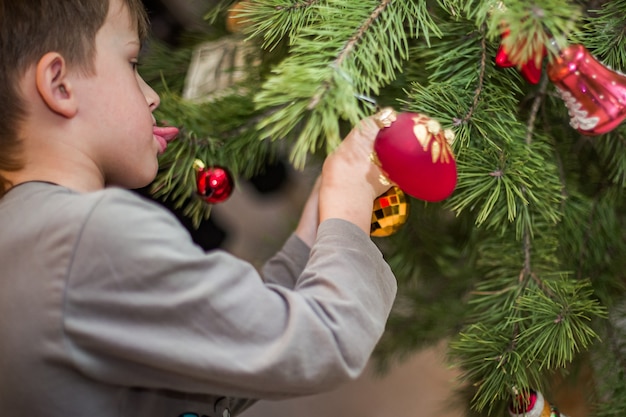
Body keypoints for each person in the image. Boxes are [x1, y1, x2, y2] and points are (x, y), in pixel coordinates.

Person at [0, 0, 397, 416]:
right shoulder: (87, 236)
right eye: (132, 64)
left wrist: (323, 215)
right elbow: (322, 342)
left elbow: (226, 345)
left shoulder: (29, 243)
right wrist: (350, 207)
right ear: (59, 84)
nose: (152, 96)